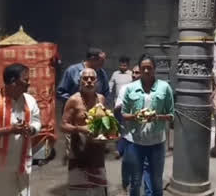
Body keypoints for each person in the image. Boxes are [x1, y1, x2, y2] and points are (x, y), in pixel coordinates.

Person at [0, 64, 42, 196]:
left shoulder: (30, 100)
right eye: (26, 80)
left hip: (23, 160)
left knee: (23, 193)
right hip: (0, 165)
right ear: (13, 82)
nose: (29, 83)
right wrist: (9, 130)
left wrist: (31, 129)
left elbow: (37, 122)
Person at [121, 54, 175, 196]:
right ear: (139, 68)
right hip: (135, 142)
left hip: (157, 142)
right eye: (143, 68)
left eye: (149, 68)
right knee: (136, 181)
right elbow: (124, 114)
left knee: (157, 180)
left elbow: (171, 115)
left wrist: (156, 117)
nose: (146, 71)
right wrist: (136, 116)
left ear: (154, 69)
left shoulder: (165, 87)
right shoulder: (130, 88)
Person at [61, 68, 109, 194]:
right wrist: (79, 128)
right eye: (85, 78)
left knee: (98, 190)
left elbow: (105, 121)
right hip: (78, 151)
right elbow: (63, 125)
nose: (89, 81)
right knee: (79, 191)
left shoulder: (101, 99)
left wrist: (108, 130)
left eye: (92, 78)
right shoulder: (73, 100)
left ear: (97, 81)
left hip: (97, 152)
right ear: (79, 81)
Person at [116, 65, 152, 195]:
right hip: (129, 136)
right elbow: (118, 110)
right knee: (129, 166)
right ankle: (125, 184)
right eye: (134, 73)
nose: (134, 75)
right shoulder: (125, 89)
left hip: (147, 137)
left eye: (138, 73)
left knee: (144, 170)